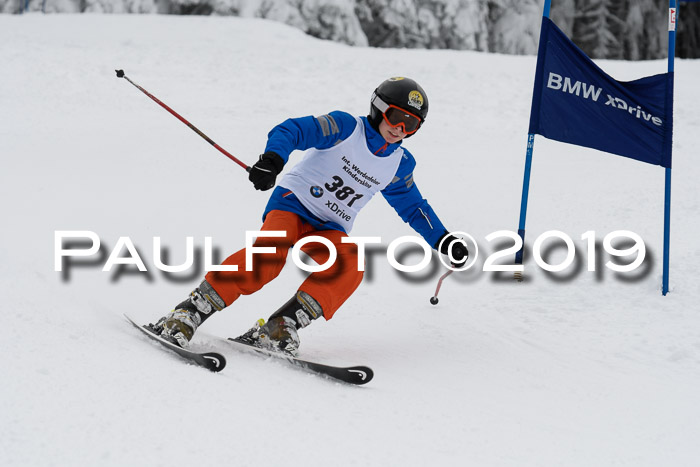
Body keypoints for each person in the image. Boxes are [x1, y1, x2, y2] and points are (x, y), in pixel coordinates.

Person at [150, 77, 468, 355]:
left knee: (350, 267)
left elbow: (413, 207)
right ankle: (188, 313)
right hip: (293, 203)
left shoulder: (399, 164)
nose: (399, 129)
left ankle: (279, 327)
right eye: (396, 117)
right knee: (269, 256)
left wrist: (443, 240)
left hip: (330, 226)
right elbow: (294, 130)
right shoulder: (346, 128)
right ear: (378, 107)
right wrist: (272, 159)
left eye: (410, 125)